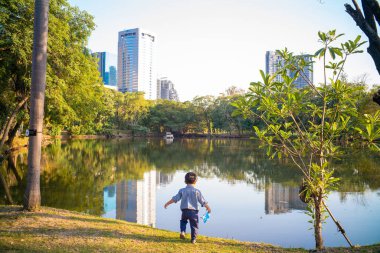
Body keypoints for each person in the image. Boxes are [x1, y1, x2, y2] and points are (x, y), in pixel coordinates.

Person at [164, 172, 211, 244]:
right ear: (195, 181)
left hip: (184, 211)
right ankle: (193, 239)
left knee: (183, 221)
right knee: (194, 226)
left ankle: (183, 231)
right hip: (194, 212)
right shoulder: (197, 191)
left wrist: (167, 203)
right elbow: (202, 201)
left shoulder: (182, 190)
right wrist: (208, 208)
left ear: (185, 181)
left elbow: (175, 199)